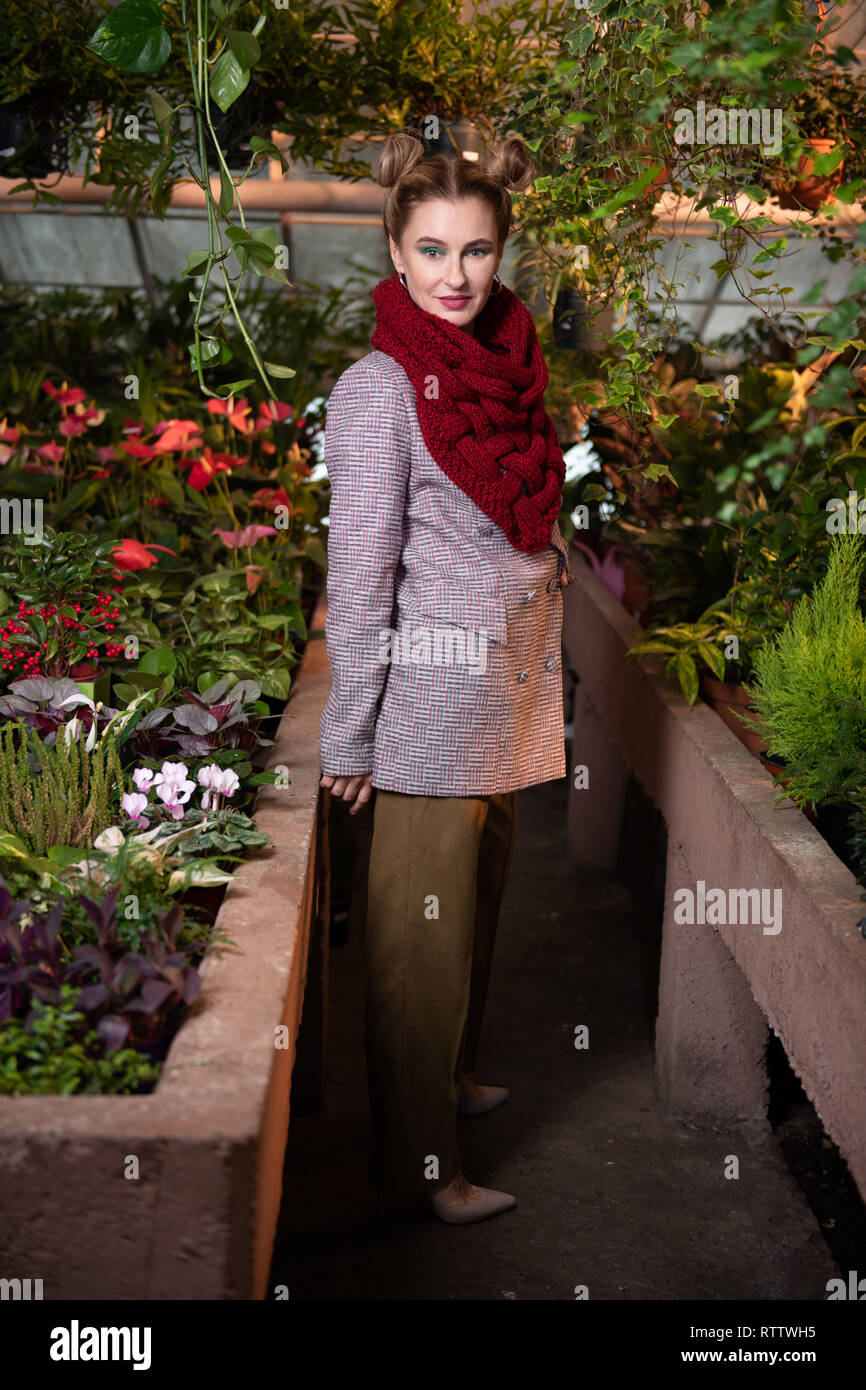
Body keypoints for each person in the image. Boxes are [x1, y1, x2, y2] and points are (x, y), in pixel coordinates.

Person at [319, 129, 573, 1225]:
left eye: (474, 251)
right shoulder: (379, 390)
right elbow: (360, 573)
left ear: (498, 250)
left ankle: (453, 1083)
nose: (454, 276)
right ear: (392, 247)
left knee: (471, 912)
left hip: (502, 694)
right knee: (416, 949)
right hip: (424, 707)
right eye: (430, 250)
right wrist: (348, 736)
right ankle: (427, 1173)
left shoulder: (509, 363)